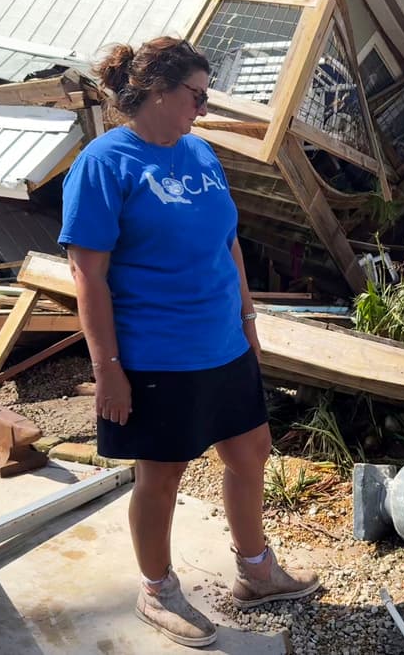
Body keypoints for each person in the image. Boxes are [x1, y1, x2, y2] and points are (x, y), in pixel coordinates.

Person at [58, 37, 320, 648]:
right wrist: (108, 369)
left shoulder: (200, 153)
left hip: (222, 343)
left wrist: (248, 321)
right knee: (163, 475)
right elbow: (87, 275)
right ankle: (157, 590)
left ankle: (256, 571)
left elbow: (228, 244)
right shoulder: (104, 164)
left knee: (250, 451)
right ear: (156, 92)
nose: (203, 108)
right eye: (196, 95)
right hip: (156, 353)